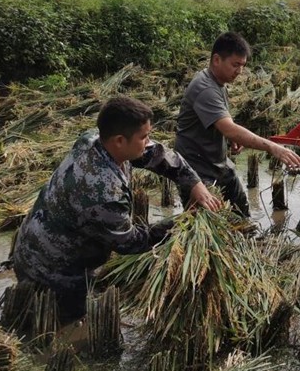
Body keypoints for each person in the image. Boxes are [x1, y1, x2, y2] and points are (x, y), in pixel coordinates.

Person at [13, 96, 219, 322]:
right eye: (144, 136)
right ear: (120, 140)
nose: (148, 141)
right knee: (62, 326)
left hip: (39, 239)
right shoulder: (102, 193)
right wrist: (182, 222)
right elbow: (131, 242)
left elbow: (155, 153)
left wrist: (192, 181)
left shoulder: (95, 139)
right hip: (52, 269)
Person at [175, 32, 300, 217]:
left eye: (243, 65)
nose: (240, 71)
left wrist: (230, 137)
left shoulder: (217, 81)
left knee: (241, 217)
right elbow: (229, 128)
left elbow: (223, 124)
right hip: (197, 172)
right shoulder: (205, 88)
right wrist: (272, 147)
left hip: (218, 165)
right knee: (206, 229)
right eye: (235, 65)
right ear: (217, 59)